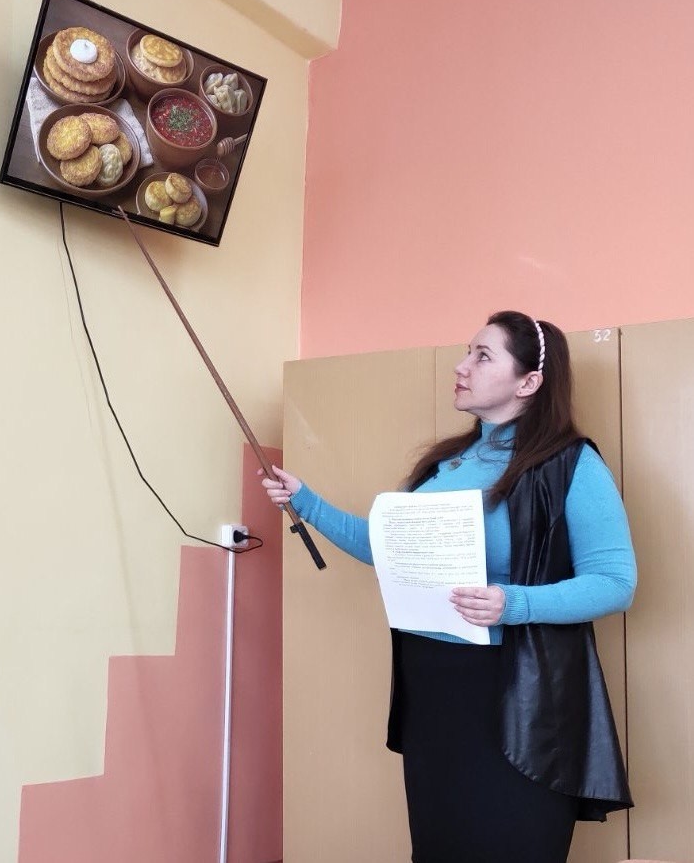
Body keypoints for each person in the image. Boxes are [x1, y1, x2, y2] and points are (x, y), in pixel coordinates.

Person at [263, 311, 635, 863]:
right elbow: (389, 550)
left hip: (521, 693)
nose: (461, 367)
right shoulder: (446, 464)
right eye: (467, 353)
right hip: (433, 688)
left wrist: (513, 604)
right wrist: (306, 501)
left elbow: (615, 583)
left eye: (482, 356)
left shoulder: (570, 464)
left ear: (529, 381)